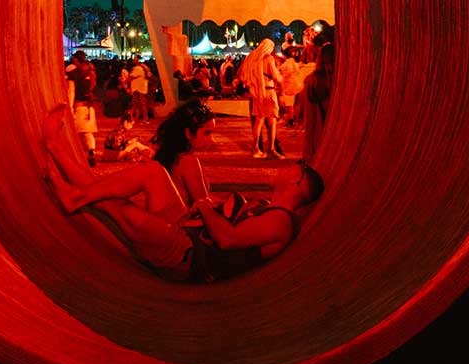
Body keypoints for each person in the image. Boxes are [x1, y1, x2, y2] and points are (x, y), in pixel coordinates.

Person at [43, 105, 324, 283]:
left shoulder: (280, 221)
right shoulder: (269, 208)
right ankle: (57, 153)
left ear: (298, 182)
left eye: (297, 166)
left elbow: (227, 239)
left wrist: (203, 206)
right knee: (129, 188)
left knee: (115, 202)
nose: (291, 164)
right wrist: (210, 206)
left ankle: (68, 179)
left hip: (190, 255)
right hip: (187, 237)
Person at [152, 100, 216, 208]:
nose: (213, 140)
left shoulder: (170, 155)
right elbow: (204, 205)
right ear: (188, 133)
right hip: (183, 222)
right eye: (207, 133)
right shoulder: (187, 161)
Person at [238, 39, 284, 159]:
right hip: (268, 91)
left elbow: (242, 75)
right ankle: (271, 150)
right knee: (272, 122)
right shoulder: (269, 59)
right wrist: (281, 76)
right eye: (272, 47)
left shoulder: (251, 58)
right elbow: (275, 76)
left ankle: (255, 148)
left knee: (258, 121)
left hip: (256, 94)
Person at [66, 50, 98, 167]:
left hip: (79, 107)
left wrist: (70, 108)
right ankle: (91, 151)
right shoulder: (91, 72)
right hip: (89, 107)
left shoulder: (74, 74)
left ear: (76, 60)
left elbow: (71, 92)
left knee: (75, 133)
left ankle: (76, 157)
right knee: (88, 133)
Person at [128, 54, 150, 121]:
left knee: (136, 103)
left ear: (137, 60)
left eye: (135, 59)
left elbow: (131, 77)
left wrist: (123, 83)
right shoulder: (144, 67)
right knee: (140, 103)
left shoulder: (138, 68)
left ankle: (142, 118)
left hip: (138, 89)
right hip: (142, 88)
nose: (133, 60)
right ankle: (143, 117)